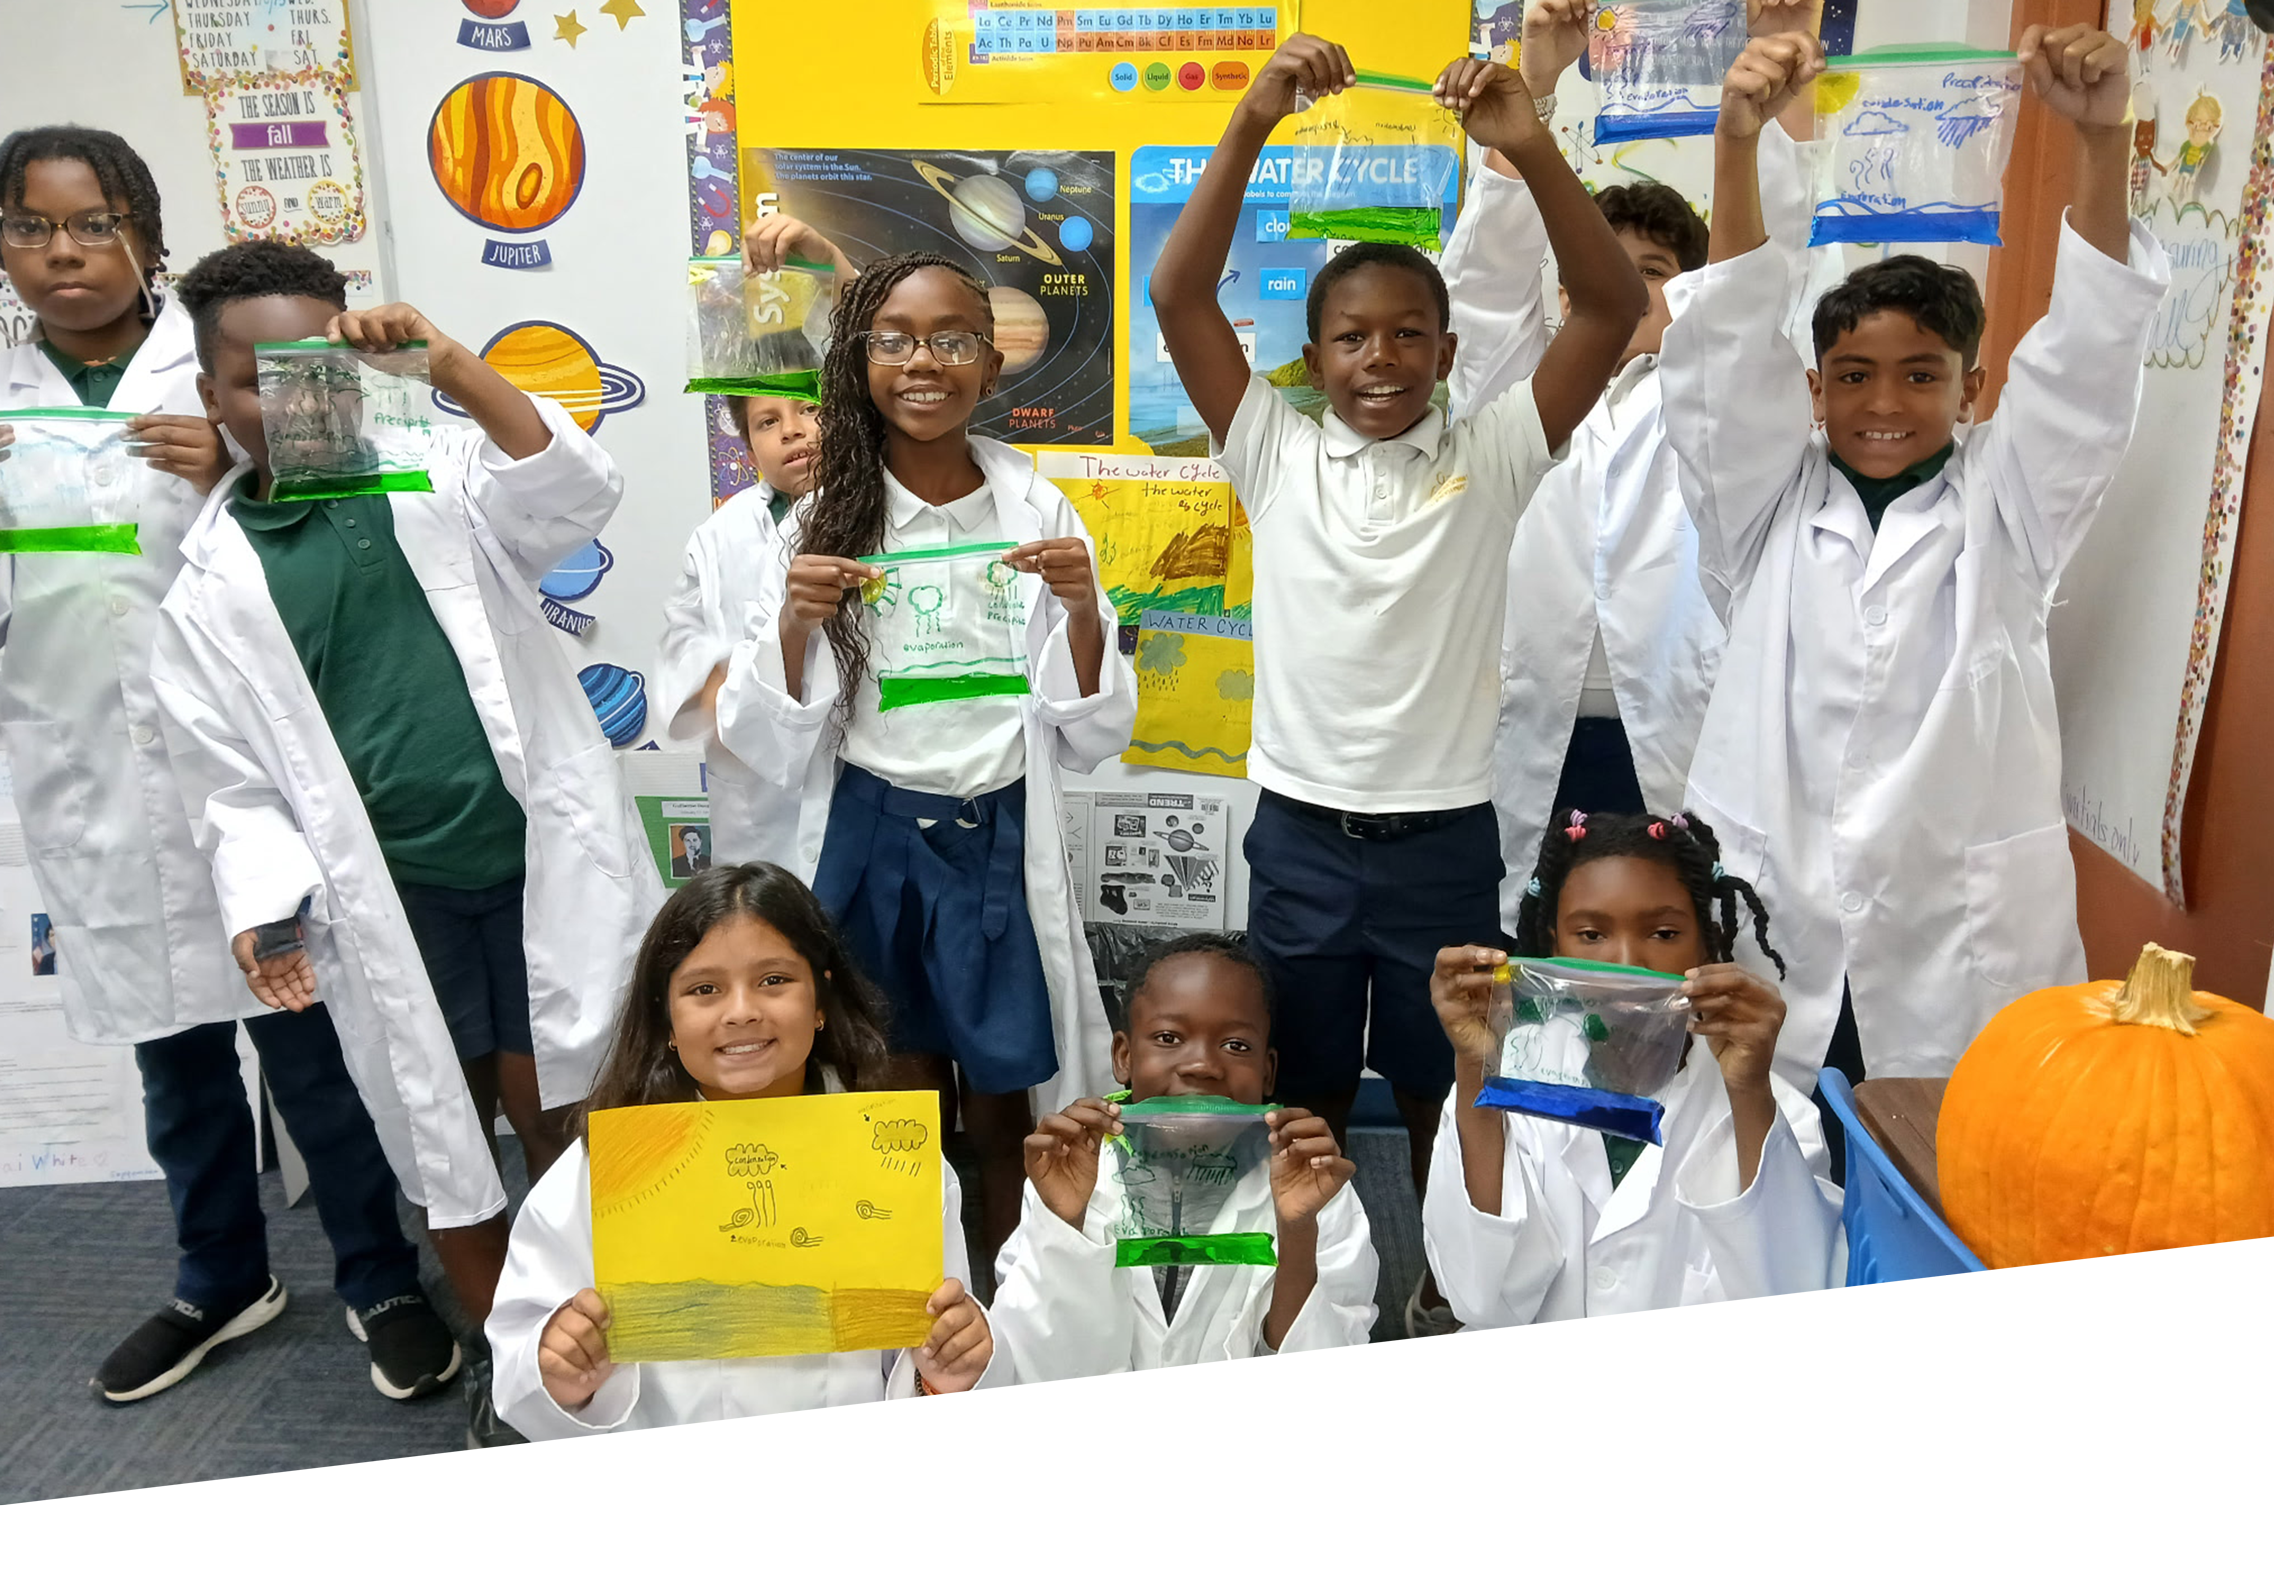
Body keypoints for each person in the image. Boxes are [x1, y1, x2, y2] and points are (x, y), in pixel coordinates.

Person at [1147, 35, 1644, 1362]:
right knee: (1304, 1088)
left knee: (1445, 1080)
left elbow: (1603, 307)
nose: (1381, 359)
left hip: (1441, 842)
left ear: (1446, 349)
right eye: (1352, 338)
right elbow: (1179, 294)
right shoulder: (1270, 449)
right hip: (1302, 837)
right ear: (1310, 355)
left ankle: (1443, 1288)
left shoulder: (1494, 452)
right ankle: (1303, 1296)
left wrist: (1525, 144)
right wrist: (1251, 119)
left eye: (1409, 336)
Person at [149, 239, 660, 1456]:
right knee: (444, 1139)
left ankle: (628, 1327)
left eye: (318, 367)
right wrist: (263, 905)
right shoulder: (209, 589)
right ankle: (511, 1355)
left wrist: (451, 365)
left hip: (536, 872)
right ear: (212, 397)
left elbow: (573, 491)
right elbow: (233, 787)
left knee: (575, 1112)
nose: (294, 399)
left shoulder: (441, 478)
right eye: (257, 380)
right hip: (393, 905)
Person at [0, 127, 455, 1408]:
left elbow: (351, 507)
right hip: (90, 768)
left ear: (146, 237)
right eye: (31, 228)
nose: (64, 252)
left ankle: (380, 1276)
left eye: (94, 223)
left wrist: (241, 462)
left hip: (242, 768)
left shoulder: (220, 361)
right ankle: (220, 1276)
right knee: (175, 1054)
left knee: (310, 1043)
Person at [1657, 28, 2169, 1128]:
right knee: (1759, 1153)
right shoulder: (1763, 504)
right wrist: (1736, 144)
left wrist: (2102, 140)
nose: (1883, 403)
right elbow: (1726, 345)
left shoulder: (2011, 504)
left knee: (1951, 1162)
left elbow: (2089, 353)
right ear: (1814, 390)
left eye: (1920, 376)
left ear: (1972, 388)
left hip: (1955, 934)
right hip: (1777, 906)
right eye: (1852, 376)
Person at [711, 249, 1136, 1274]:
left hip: (997, 838)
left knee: (1003, 1103)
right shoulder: (818, 521)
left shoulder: (1037, 508)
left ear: (992, 364)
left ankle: (1012, 1309)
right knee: (888, 1100)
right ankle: (906, 1308)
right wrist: (795, 624)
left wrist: (1083, 610)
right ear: (858, 363)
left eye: (952, 340)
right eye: (894, 341)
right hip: (874, 836)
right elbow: (765, 738)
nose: (922, 362)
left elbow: (1091, 732)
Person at [1444, 0, 1823, 930]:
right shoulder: (1521, 389)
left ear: (1688, 290)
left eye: (1650, 272)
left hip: (1674, 740)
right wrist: (1535, 81)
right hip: (1529, 741)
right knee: (1533, 955)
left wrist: (1779, 82)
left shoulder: (1710, 398)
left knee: (1676, 957)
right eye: (1597, 271)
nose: (1621, 290)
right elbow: (1482, 291)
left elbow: (1759, 282)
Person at [485, 862, 1007, 1456]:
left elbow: (930, 1359)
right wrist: (554, 1369)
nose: (741, 1012)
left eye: (773, 980)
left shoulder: (895, 1164)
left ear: (820, 999)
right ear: (666, 1019)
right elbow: (522, 1376)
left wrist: (946, 1373)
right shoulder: (605, 1172)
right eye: (704, 990)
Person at [1423, 810, 1844, 1367]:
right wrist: (1476, 1066)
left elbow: (1794, 1314)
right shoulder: (1509, 1082)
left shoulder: (1776, 1111)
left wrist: (1748, 1093)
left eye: (1664, 934)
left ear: (1706, 945)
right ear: (1552, 944)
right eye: (1591, 934)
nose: (1627, 963)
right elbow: (1481, 1299)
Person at [991, 934, 1376, 1409]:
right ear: (1124, 1057)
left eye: (1236, 1045)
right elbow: (1037, 1383)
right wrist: (1065, 1225)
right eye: (1169, 1038)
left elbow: (1315, 1397)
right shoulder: (1070, 1174)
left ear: (1267, 1071)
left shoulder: (1317, 1191)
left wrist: (1297, 1233)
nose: (1202, 1065)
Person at [656, 215, 855, 869]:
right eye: (768, 421)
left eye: (810, 409)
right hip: (756, 795)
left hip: (854, 775)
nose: (792, 431)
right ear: (746, 446)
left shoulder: (871, 509)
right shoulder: (718, 536)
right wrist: (745, 696)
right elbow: (685, 651)